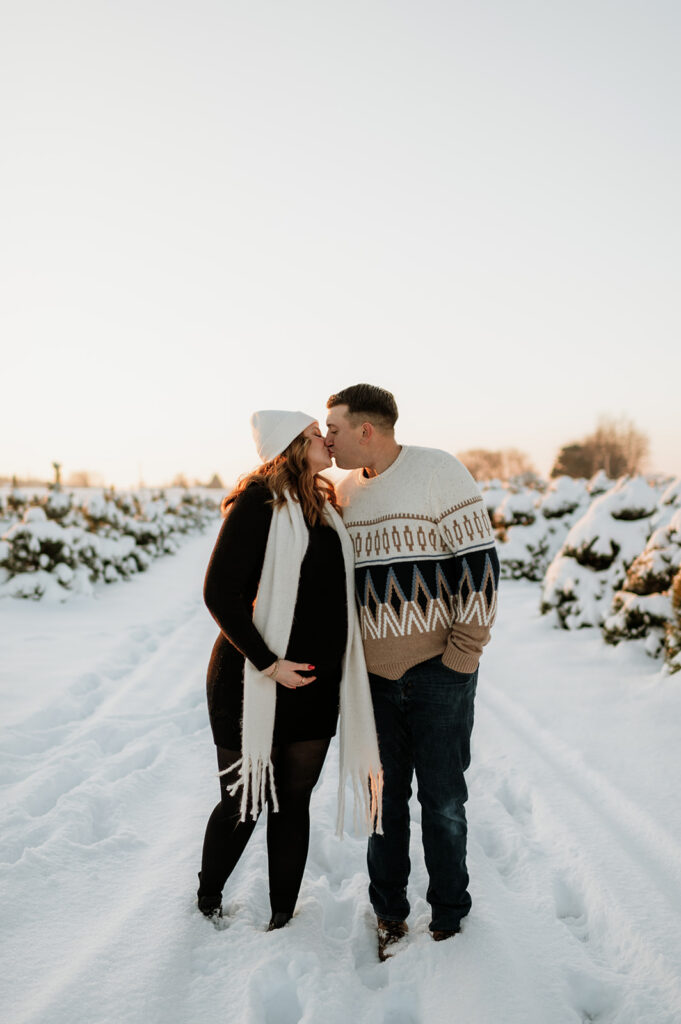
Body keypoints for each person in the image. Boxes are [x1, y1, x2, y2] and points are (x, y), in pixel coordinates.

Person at [325, 384, 500, 961]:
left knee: (445, 798)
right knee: (384, 801)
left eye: (335, 428)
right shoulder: (345, 492)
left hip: (439, 673)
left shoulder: (439, 472)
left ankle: (449, 912)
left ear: (366, 430)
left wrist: (462, 657)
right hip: (372, 681)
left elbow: (481, 567)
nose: (329, 439)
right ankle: (389, 913)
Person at [197, 410, 382, 930]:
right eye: (313, 433)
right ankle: (207, 898)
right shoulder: (259, 503)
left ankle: (282, 915)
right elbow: (219, 594)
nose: (324, 438)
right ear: (290, 445)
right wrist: (269, 664)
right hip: (252, 676)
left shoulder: (326, 507)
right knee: (244, 800)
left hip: (315, 685)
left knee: (293, 801)